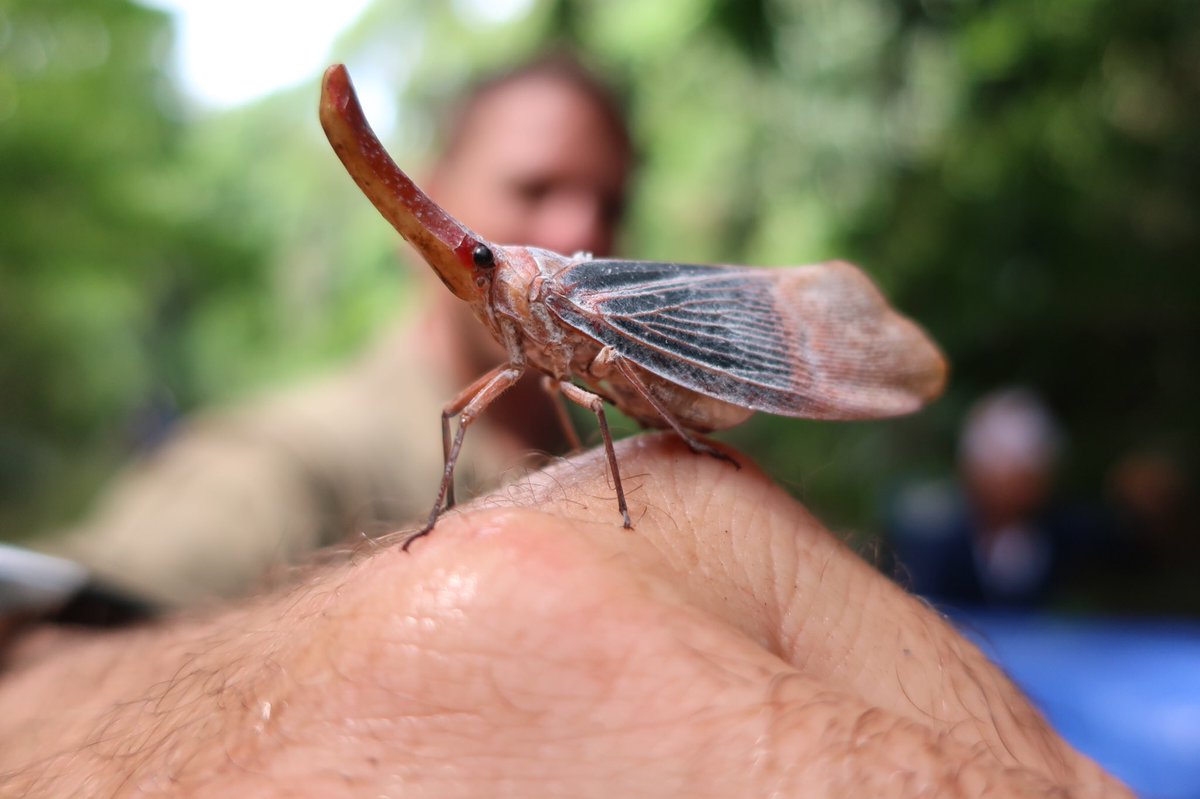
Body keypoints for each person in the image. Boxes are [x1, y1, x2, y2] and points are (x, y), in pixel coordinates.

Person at [0, 435, 1130, 796]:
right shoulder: (309, 442)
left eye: (602, 187)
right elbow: (124, 561)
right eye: (535, 187)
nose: (578, 211)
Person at [30, 53, 633, 608]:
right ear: (429, 213)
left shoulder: (622, 424)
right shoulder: (292, 455)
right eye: (533, 188)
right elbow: (64, 615)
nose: (582, 235)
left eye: (611, 206)